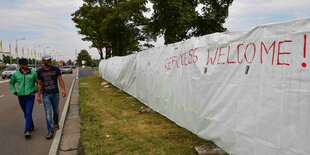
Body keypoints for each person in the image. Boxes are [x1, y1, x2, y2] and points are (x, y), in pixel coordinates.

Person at [37, 55, 66, 139]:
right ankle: (50, 131)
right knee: (48, 113)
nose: (49, 61)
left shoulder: (55, 69)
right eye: (47, 60)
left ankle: (56, 123)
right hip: (45, 94)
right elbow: (39, 84)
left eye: (50, 59)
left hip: (55, 93)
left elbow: (60, 79)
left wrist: (63, 89)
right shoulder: (40, 71)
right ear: (43, 61)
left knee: (56, 110)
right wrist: (38, 96)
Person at [9, 58, 38, 139]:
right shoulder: (16, 74)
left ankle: (27, 131)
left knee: (28, 113)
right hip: (21, 97)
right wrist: (15, 92)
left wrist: (35, 91)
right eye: (25, 64)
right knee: (26, 114)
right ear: (20, 65)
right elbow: (11, 84)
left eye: (27, 64)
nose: (27, 65)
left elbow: (38, 83)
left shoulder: (33, 73)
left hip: (30, 96)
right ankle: (31, 125)